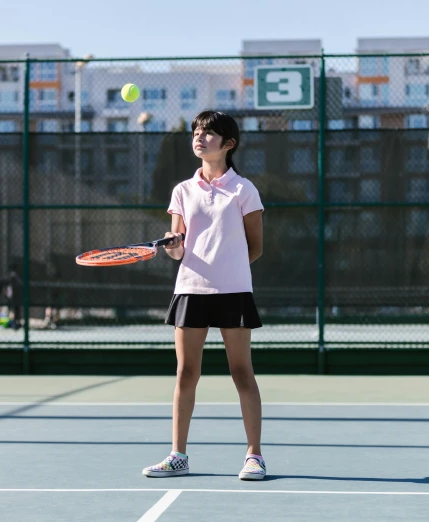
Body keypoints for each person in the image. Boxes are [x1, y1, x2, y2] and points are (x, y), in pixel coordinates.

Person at [142, 111, 266, 480]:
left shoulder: (244, 190)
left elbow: (255, 247)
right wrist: (174, 248)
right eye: (197, 131)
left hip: (233, 292)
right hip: (190, 290)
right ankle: (177, 455)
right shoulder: (183, 190)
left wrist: (225, 269)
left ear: (228, 144)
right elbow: (178, 246)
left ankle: (254, 456)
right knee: (185, 374)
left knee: (241, 372)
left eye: (209, 132)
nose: (199, 137)